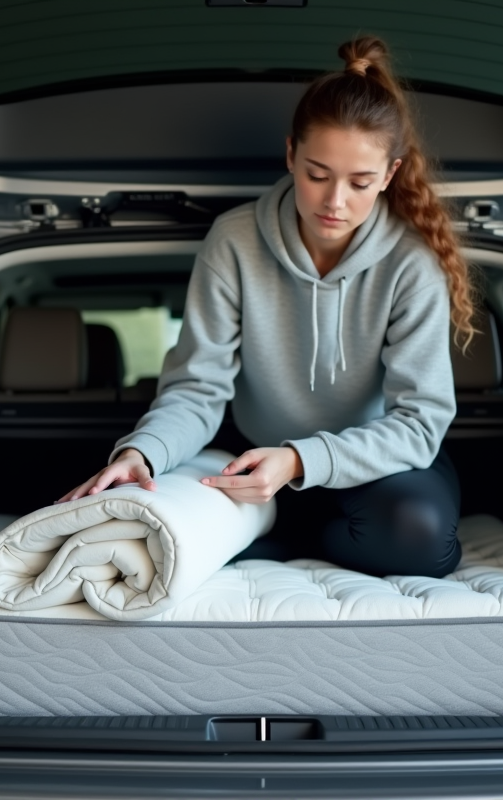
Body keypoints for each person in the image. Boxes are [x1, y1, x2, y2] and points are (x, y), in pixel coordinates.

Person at [58, 36, 477, 578]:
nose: (334, 201)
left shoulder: (410, 265)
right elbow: (198, 388)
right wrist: (142, 454)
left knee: (419, 536)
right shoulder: (233, 241)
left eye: (360, 182)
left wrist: (303, 461)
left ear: (390, 176)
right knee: (167, 540)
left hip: (376, 462)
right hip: (252, 455)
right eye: (317, 174)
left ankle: (281, 534)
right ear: (290, 155)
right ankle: (274, 528)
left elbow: (419, 425)